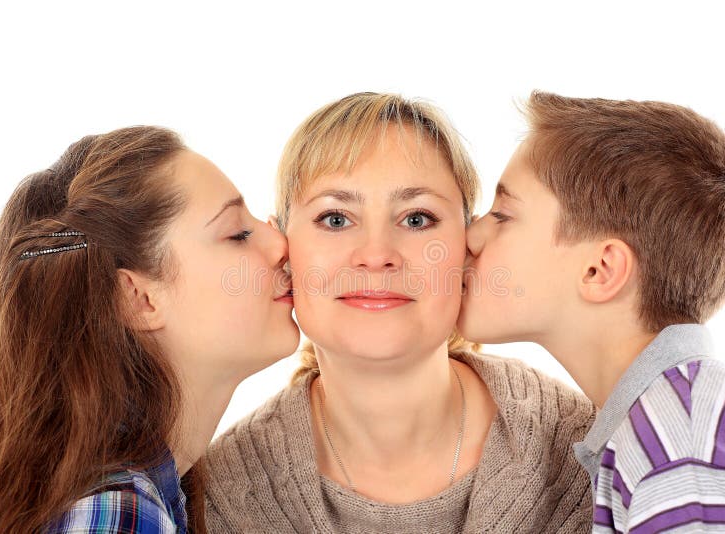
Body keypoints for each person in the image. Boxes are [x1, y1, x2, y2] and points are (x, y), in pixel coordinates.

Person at [204, 92, 595, 533]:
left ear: (467, 247)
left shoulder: (584, 451)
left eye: (416, 219)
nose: (376, 255)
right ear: (283, 249)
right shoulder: (223, 495)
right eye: (335, 219)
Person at [458, 91, 725, 532]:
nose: (471, 235)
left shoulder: (679, 446)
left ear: (599, 269)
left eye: (503, 214)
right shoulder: (661, 424)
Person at [0, 126, 299, 533]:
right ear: (139, 299)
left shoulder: (137, 490)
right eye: (237, 234)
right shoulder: (120, 515)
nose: (280, 242)